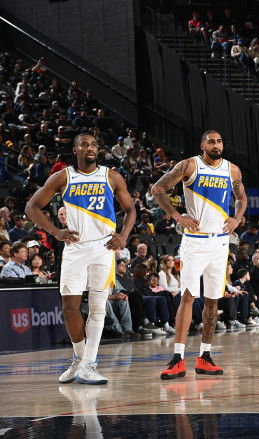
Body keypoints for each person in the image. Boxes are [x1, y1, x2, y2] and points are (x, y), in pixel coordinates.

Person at [25, 133, 136, 384]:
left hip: (104, 247)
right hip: (75, 247)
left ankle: (90, 364)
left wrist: (124, 236)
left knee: (98, 307)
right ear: (75, 150)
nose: (90, 148)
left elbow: (130, 209)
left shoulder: (111, 176)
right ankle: (79, 358)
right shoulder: (64, 177)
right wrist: (55, 232)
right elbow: (32, 207)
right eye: (84, 144)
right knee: (69, 307)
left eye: (94, 144)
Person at [151, 130, 247, 380]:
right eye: (211, 141)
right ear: (202, 145)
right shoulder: (190, 165)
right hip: (194, 242)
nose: (216, 145)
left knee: (213, 300)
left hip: (220, 243)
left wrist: (237, 218)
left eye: (219, 141)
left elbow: (241, 198)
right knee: (188, 297)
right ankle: (178, 358)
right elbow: (157, 188)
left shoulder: (232, 170)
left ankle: (205, 356)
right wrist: (177, 216)